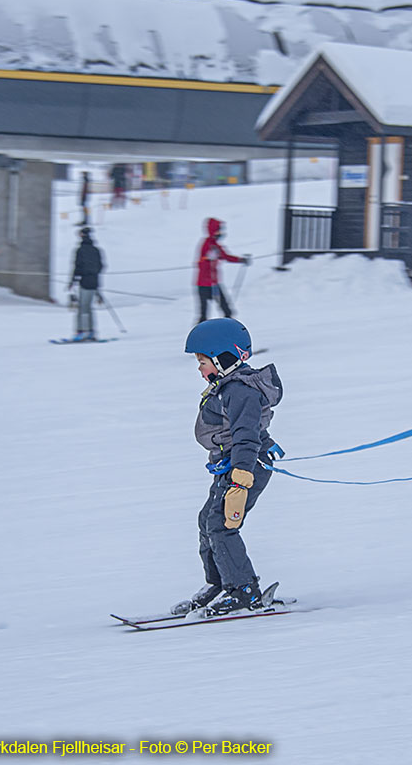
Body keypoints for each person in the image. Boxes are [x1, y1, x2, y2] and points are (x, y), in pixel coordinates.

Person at [171, 318, 285, 617]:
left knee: (222, 527)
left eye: (203, 361)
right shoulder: (228, 387)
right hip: (230, 467)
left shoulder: (239, 391)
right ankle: (220, 582)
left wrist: (241, 477)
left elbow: (246, 435)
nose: (199, 368)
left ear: (224, 358)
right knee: (206, 522)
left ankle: (244, 591)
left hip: (244, 469)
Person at [195, 217, 248, 323]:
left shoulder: (215, 245)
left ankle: (229, 325)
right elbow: (201, 262)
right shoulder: (206, 244)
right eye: (218, 230)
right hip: (204, 284)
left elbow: (226, 256)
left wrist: (240, 260)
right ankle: (200, 332)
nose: (220, 233)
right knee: (203, 312)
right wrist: (207, 259)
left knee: (226, 308)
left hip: (214, 283)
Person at [67, 227, 105, 342]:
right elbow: (101, 266)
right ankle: (91, 331)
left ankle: (81, 331)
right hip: (95, 282)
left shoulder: (80, 250)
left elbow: (77, 267)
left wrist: (73, 281)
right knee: (89, 308)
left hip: (84, 282)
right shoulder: (96, 250)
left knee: (82, 308)